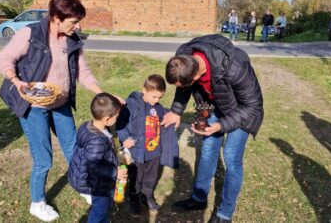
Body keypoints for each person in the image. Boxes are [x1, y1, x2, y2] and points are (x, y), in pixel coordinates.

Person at [0, 0, 119, 222]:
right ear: (56, 17)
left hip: (60, 104)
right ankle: (37, 202)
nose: (77, 25)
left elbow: (83, 73)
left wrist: (103, 93)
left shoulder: (72, 40)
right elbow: (4, 59)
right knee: (44, 159)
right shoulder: (30, 34)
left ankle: (83, 187)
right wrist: (17, 81)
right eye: (73, 21)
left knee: (74, 149)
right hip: (34, 105)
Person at [162, 34, 264, 222]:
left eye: (186, 84)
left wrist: (221, 125)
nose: (183, 88)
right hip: (217, 103)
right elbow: (182, 87)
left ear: (196, 75)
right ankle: (199, 198)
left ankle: (225, 214)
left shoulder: (235, 66)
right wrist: (176, 111)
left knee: (231, 158)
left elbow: (253, 106)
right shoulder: (184, 56)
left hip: (243, 111)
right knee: (208, 150)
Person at [116, 74, 179, 217]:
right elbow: (120, 124)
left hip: (154, 152)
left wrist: (173, 117)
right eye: (154, 96)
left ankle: (147, 196)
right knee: (136, 178)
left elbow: (165, 116)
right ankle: (134, 198)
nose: (156, 101)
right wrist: (125, 138)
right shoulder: (131, 105)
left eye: (159, 98)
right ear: (144, 90)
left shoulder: (158, 107)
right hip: (137, 152)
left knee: (150, 177)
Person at [68, 93, 127, 223]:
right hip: (96, 183)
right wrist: (116, 172)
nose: (117, 118)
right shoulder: (97, 141)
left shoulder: (88, 125)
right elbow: (93, 168)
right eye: (116, 116)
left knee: (102, 210)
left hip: (88, 178)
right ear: (107, 119)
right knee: (99, 211)